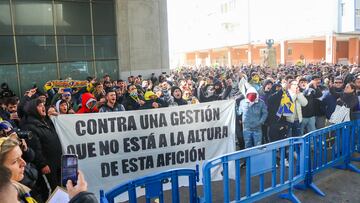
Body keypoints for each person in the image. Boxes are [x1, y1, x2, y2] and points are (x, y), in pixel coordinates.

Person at [21, 98, 63, 200]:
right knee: (53, 190)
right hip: (47, 166)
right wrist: (42, 164)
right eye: (39, 105)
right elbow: (35, 147)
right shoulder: (30, 126)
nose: (43, 106)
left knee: (60, 188)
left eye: (43, 105)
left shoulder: (46, 121)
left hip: (56, 162)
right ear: (32, 109)